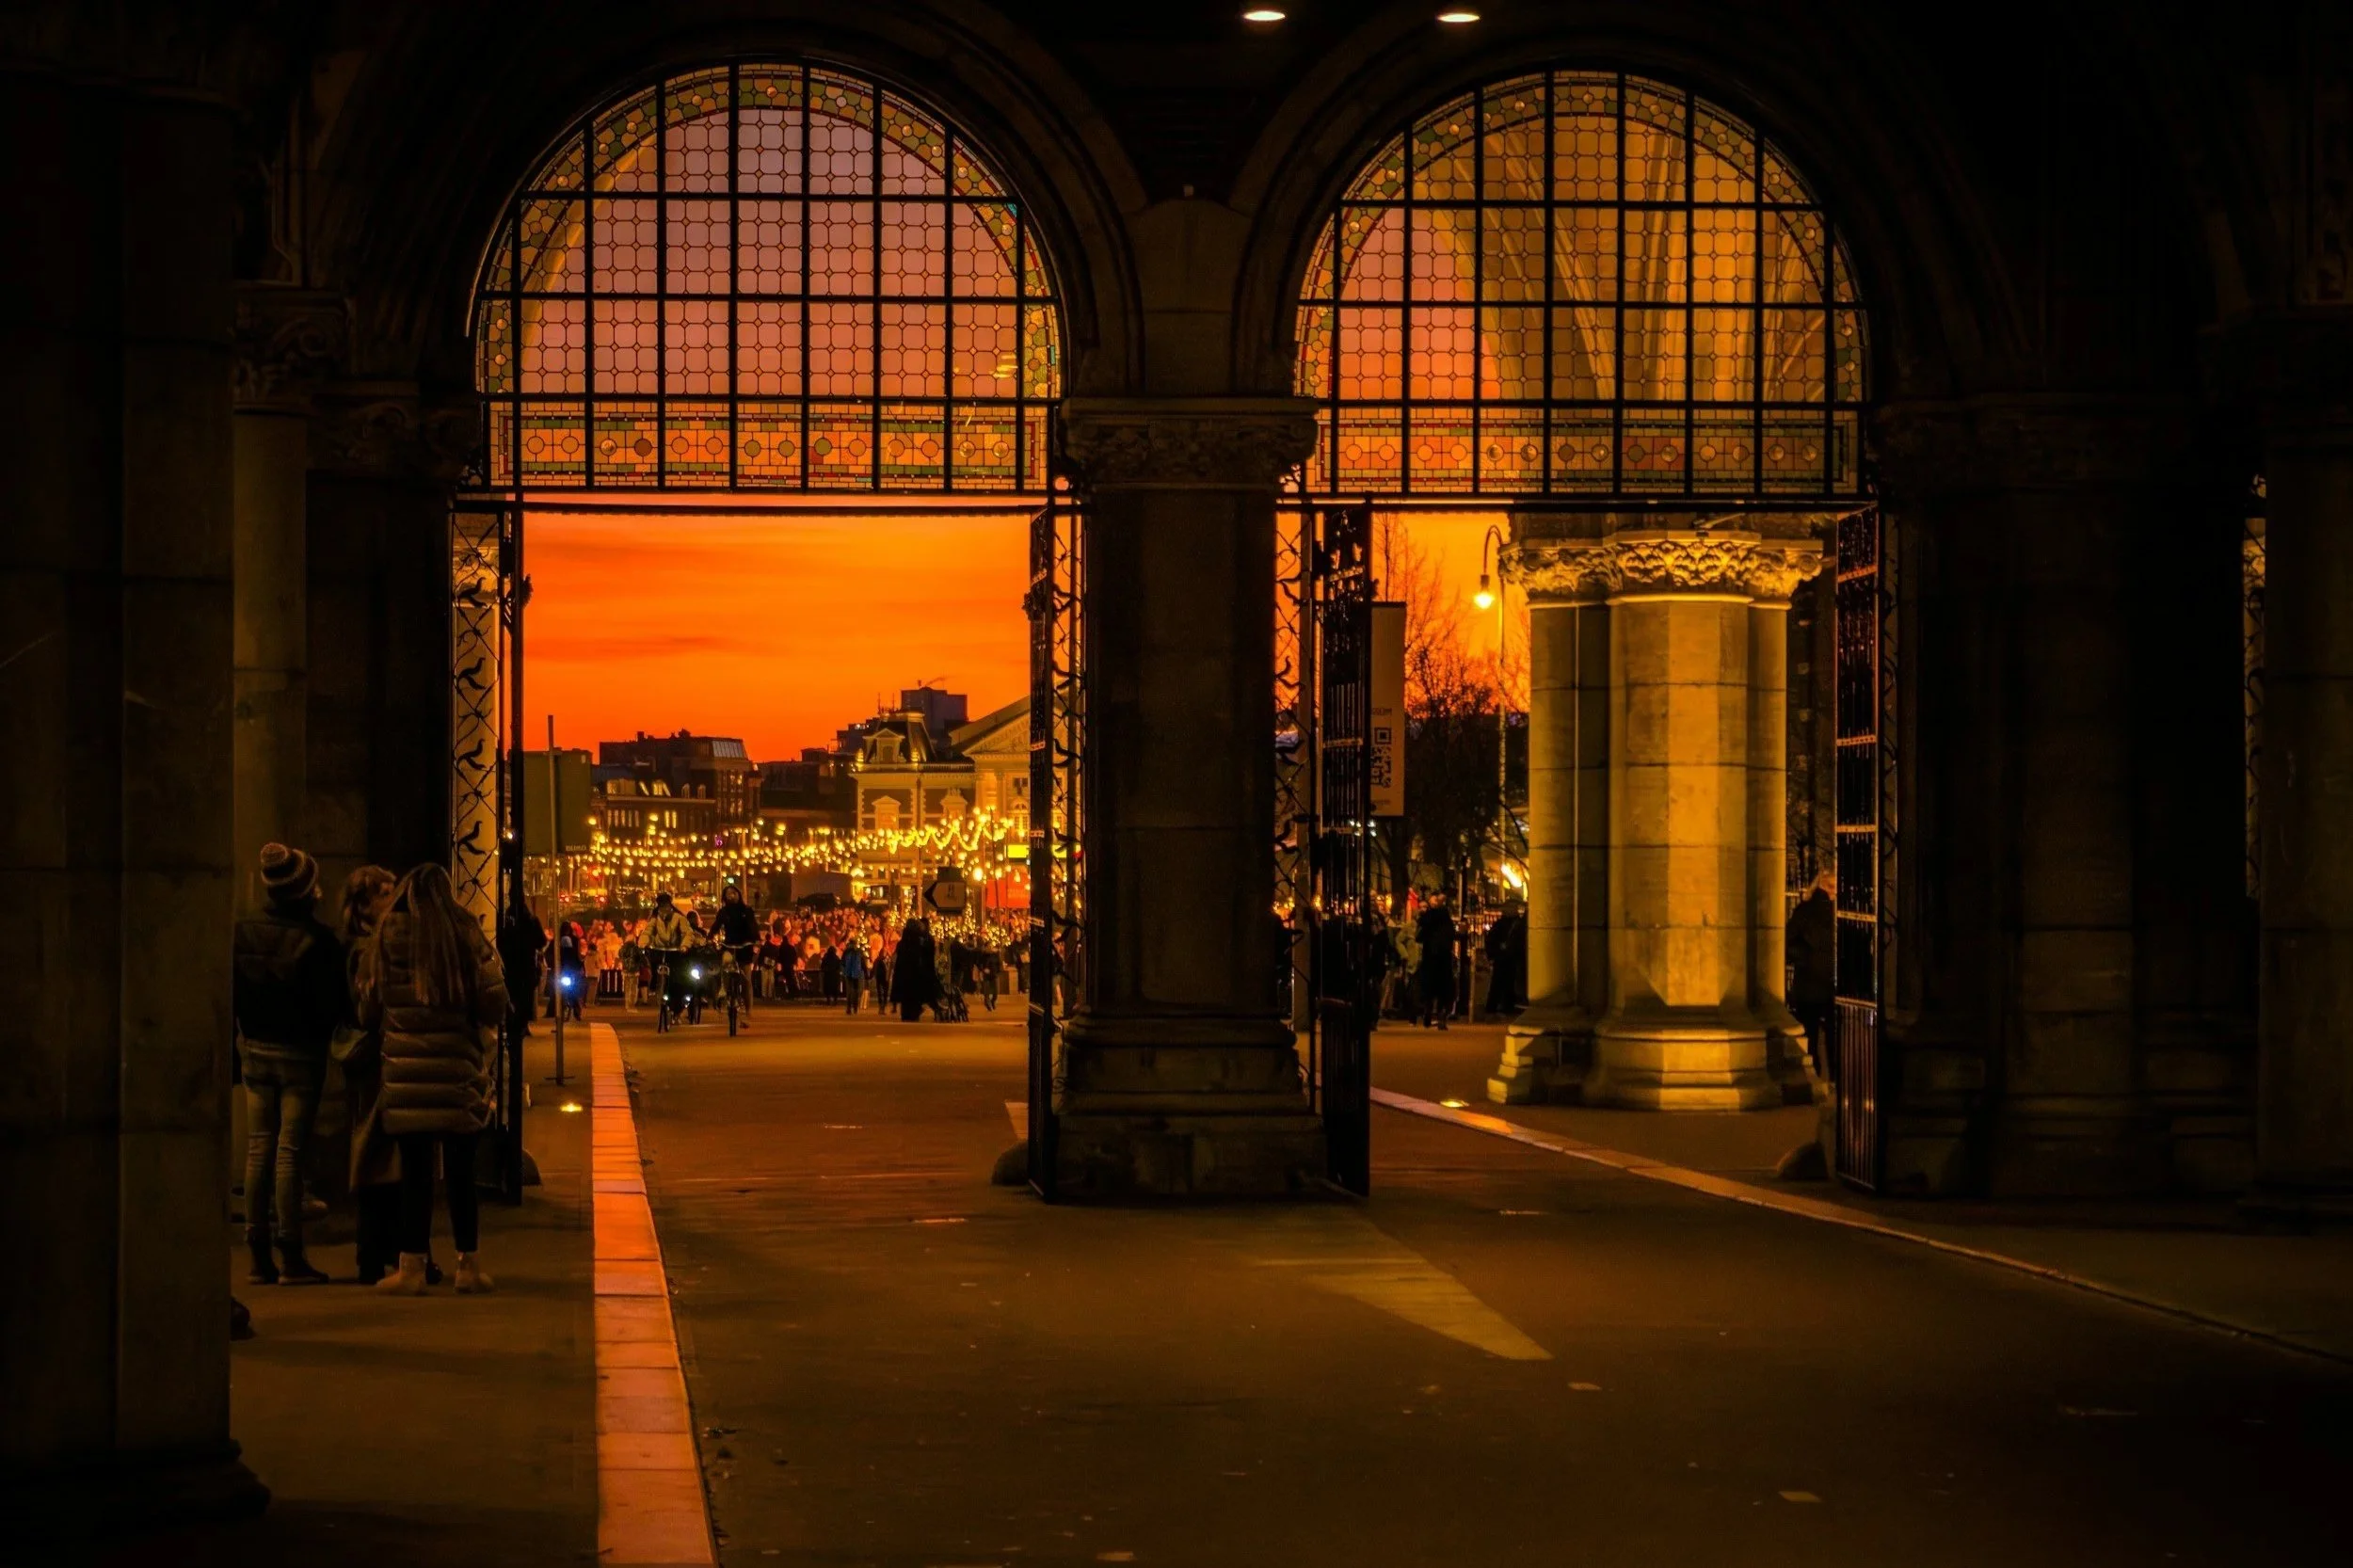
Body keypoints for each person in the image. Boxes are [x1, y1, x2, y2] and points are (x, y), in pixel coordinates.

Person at [360, 863, 510, 1296]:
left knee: (415, 1175)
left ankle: (411, 1266)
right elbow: (493, 998)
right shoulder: (464, 932)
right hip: (458, 1072)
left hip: (406, 1078)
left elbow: (368, 1006)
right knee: (462, 1174)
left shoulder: (387, 936)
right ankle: (469, 1265)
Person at [232, 843, 350, 1286]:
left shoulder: (242, 932)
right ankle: (290, 1252)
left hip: (255, 1049)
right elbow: (334, 1003)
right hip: (301, 1053)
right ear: (304, 890)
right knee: (290, 1153)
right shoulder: (318, 942)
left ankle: (257, 1252)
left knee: (258, 1147)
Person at [335, 864, 407, 1287]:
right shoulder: (365, 948)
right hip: (373, 1058)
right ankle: (378, 1252)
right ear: (364, 903)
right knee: (377, 1154)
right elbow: (368, 1005)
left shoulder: (371, 943)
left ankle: (378, 1251)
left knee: (380, 1153)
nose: (390, 900)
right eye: (384, 893)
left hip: (373, 1057)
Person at [1787, 871, 1839, 1077]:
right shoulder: (1837, 912)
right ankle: (1835, 1077)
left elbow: (1788, 942)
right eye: (1834, 886)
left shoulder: (1803, 910)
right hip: (1831, 982)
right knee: (1833, 1036)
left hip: (1808, 981)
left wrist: (1805, 958)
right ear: (1825, 887)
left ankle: (1814, 1074)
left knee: (1810, 1033)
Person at [638, 892, 694, 1020]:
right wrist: (643, 944)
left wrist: (684, 946)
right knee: (655, 969)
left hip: (676, 951)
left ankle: (676, 1007)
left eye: (666, 906)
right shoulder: (654, 919)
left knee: (677, 979)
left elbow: (687, 933)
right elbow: (647, 932)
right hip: (659, 950)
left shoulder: (679, 918)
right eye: (662, 907)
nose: (664, 909)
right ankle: (656, 989)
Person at [498, 899, 546, 1035]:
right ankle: (522, 1024)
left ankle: (509, 1024)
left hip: (510, 965)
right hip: (527, 965)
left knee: (511, 995)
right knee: (525, 997)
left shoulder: (507, 922)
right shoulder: (531, 922)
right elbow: (541, 941)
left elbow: (501, 942)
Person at [1414, 893, 1458, 1030]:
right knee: (1444, 988)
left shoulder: (1429, 919)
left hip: (1430, 958)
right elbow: (1452, 936)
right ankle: (1442, 1015)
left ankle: (1427, 1011)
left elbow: (1419, 937)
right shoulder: (1446, 921)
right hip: (1444, 959)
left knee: (1429, 987)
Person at [1482, 899, 1528, 1016]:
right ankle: (1505, 1006)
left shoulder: (1502, 924)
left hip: (1504, 957)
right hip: (1509, 957)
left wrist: (1493, 953)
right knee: (1506, 983)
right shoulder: (1517, 924)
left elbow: (1491, 940)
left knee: (1500, 983)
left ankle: (1496, 1007)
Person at [893, 916, 940, 1021]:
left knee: (907, 997)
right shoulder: (919, 941)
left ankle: (907, 1013)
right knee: (914, 995)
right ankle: (914, 1012)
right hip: (915, 973)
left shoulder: (903, 943)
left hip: (905, 973)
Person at [842, 935, 869, 1015]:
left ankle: (848, 1008)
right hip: (856, 973)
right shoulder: (859, 951)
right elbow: (863, 963)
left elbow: (843, 962)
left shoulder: (846, 952)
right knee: (856, 991)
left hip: (848, 973)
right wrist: (865, 973)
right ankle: (855, 1008)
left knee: (849, 991)